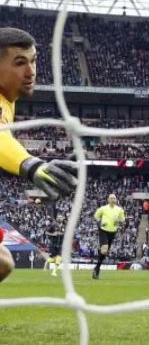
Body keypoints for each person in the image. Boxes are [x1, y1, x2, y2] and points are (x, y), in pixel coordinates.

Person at [0, 27, 78, 283]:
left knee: (2, 264)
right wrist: (32, 166)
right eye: (20, 63)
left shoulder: (7, 101)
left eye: (33, 61)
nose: (31, 71)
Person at [93, 193, 126, 280]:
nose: (112, 200)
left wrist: (118, 221)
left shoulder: (119, 210)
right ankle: (97, 270)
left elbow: (123, 220)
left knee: (105, 251)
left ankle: (96, 268)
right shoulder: (103, 208)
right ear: (108, 199)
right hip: (103, 230)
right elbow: (96, 216)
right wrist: (100, 222)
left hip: (113, 232)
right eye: (111, 198)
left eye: (114, 198)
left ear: (116, 200)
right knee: (104, 250)